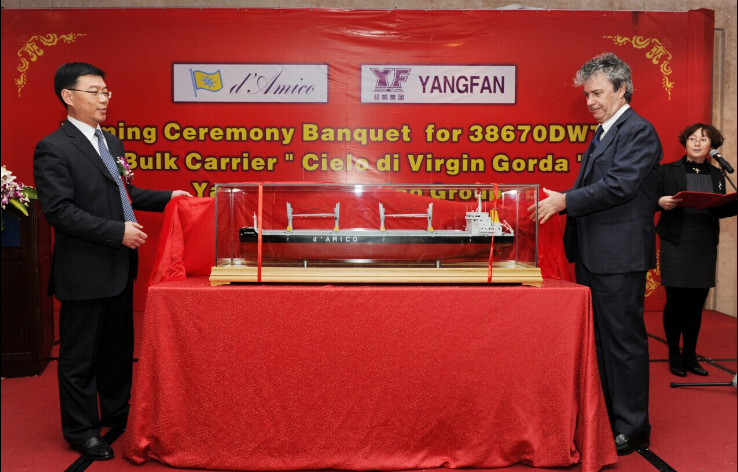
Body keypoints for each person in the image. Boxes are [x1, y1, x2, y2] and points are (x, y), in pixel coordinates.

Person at [33, 62, 192, 461]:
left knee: (117, 352)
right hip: (84, 270)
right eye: (95, 91)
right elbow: (59, 211)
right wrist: (116, 231)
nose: (104, 98)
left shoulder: (111, 142)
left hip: (119, 268)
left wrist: (169, 197)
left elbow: (125, 194)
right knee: (79, 357)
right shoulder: (54, 147)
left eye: (106, 91)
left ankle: (118, 414)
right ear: (69, 96)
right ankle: (81, 430)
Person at [528, 52, 662, 455]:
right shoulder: (604, 132)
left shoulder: (638, 131)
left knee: (623, 341)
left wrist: (565, 201)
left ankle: (633, 426)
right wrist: (562, 200)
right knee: (601, 341)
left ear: (622, 89)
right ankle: (608, 417)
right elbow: (597, 186)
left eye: (597, 93)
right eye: (587, 94)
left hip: (618, 256)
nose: (590, 101)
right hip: (594, 254)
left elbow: (619, 186)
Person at [656, 124, 737, 377]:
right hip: (676, 242)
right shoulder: (667, 170)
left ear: (712, 146)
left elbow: (719, 209)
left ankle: (690, 355)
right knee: (676, 301)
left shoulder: (717, 175)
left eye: (703, 139)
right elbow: (648, 198)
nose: (697, 143)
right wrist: (660, 201)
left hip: (704, 243)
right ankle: (674, 354)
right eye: (692, 138)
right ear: (685, 144)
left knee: (695, 303)